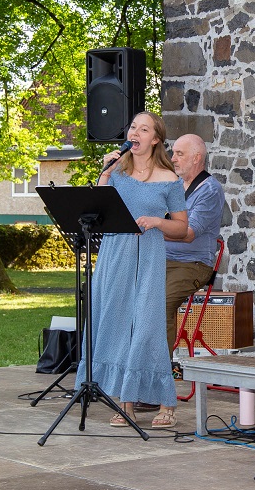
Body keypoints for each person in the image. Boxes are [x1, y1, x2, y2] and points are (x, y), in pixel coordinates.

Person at [89, 112, 188, 429]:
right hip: (114, 253)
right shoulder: (117, 171)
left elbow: (181, 228)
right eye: (132, 126)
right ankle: (125, 404)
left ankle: (166, 401)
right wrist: (104, 174)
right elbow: (97, 212)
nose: (135, 132)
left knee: (146, 326)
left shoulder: (170, 179)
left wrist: (158, 222)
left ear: (156, 138)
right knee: (118, 325)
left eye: (143, 129)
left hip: (148, 255)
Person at [164, 133, 226, 365]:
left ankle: (159, 377)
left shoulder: (209, 190)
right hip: (162, 259)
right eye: (173, 153)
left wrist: (153, 225)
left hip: (193, 264)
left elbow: (188, 234)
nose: (173, 158)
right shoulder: (173, 186)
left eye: (180, 154)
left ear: (197, 158)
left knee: (159, 304)